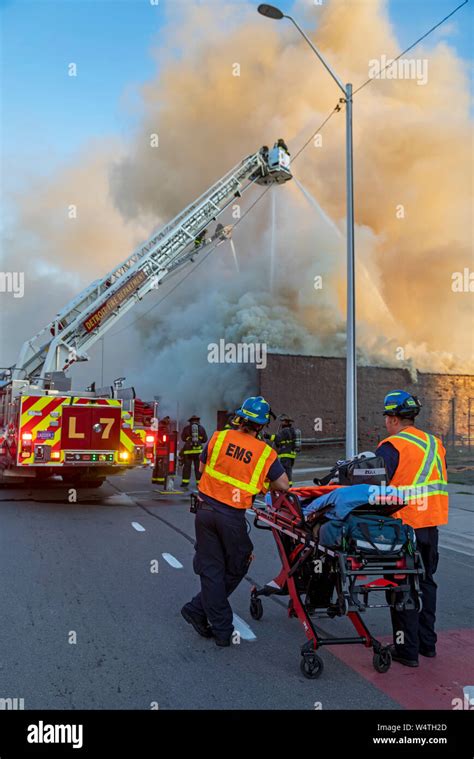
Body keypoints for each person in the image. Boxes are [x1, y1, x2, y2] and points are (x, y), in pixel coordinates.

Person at [181, 396, 289, 646]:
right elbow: (283, 484)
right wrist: (262, 480)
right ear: (261, 426)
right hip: (231, 517)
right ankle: (220, 627)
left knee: (211, 568)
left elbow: (201, 468)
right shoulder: (265, 453)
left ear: (240, 418)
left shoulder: (219, 438)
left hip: (205, 512)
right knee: (238, 564)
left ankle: (198, 609)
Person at [376, 390, 449, 668]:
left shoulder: (392, 445)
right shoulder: (434, 443)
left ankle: (406, 650)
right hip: (431, 524)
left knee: (401, 586)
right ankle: (427, 645)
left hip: (404, 526)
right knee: (426, 581)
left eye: (387, 416)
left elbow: (376, 487)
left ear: (393, 418)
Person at [265, 414, 300, 486]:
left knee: (285, 470)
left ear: (287, 422)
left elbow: (278, 438)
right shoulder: (292, 430)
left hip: (285, 454)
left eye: (283, 421)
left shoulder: (284, 431)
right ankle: (289, 484)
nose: (281, 423)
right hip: (291, 455)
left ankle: (287, 485)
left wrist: (268, 436)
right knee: (288, 469)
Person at [180, 415, 207, 489]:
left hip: (188, 452)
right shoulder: (201, 428)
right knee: (198, 468)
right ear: (198, 421)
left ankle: (185, 483)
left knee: (186, 467)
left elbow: (182, 438)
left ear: (190, 421)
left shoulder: (186, 428)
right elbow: (205, 439)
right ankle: (199, 483)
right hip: (198, 452)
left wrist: (188, 440)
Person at [151, 416, 171, 485]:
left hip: (156, 448)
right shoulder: (164, 428)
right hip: (162, 448)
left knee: (156, 464)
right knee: (162, 464)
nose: (169, 422)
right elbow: (164, 439)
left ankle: (154, 479)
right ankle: (160, 480)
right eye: (168, 420)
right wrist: (164, 444)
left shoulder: (158, 426)